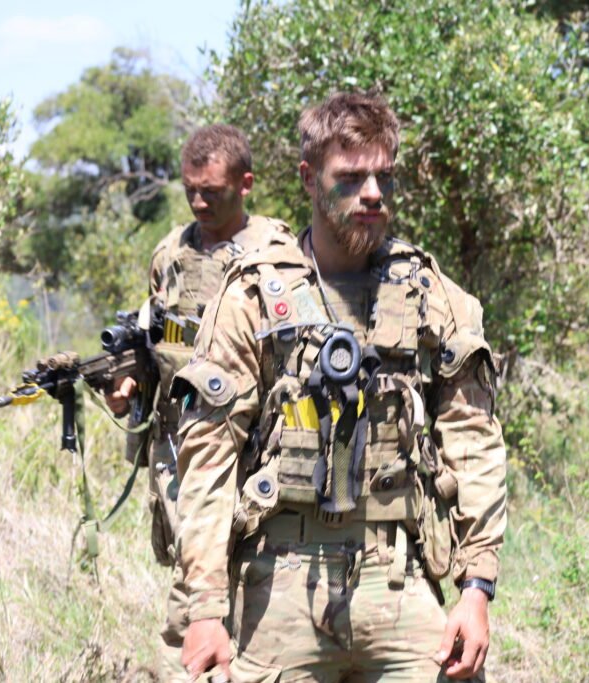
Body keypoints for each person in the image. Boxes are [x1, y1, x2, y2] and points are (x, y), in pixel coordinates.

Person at [170, 92, 507, 682]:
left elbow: (473, 440)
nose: (373, 193)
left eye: (385, 177)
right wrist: (204, 609)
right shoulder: (253, 295)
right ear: (308, 178)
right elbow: (207, 460)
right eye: (351, 178)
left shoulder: (429, 294)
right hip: (279, 584)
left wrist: (475, 589)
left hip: (398, 579)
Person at [103, 123, 292, 680]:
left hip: (258, 451)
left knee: (258, 592)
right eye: (191, 190)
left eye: (214, 190)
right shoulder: (171, 255)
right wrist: (128, 382)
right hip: (183, 453)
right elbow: (158, 337)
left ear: (247, 184)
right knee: (193, 582)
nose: (200, 201)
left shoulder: (277, 253)